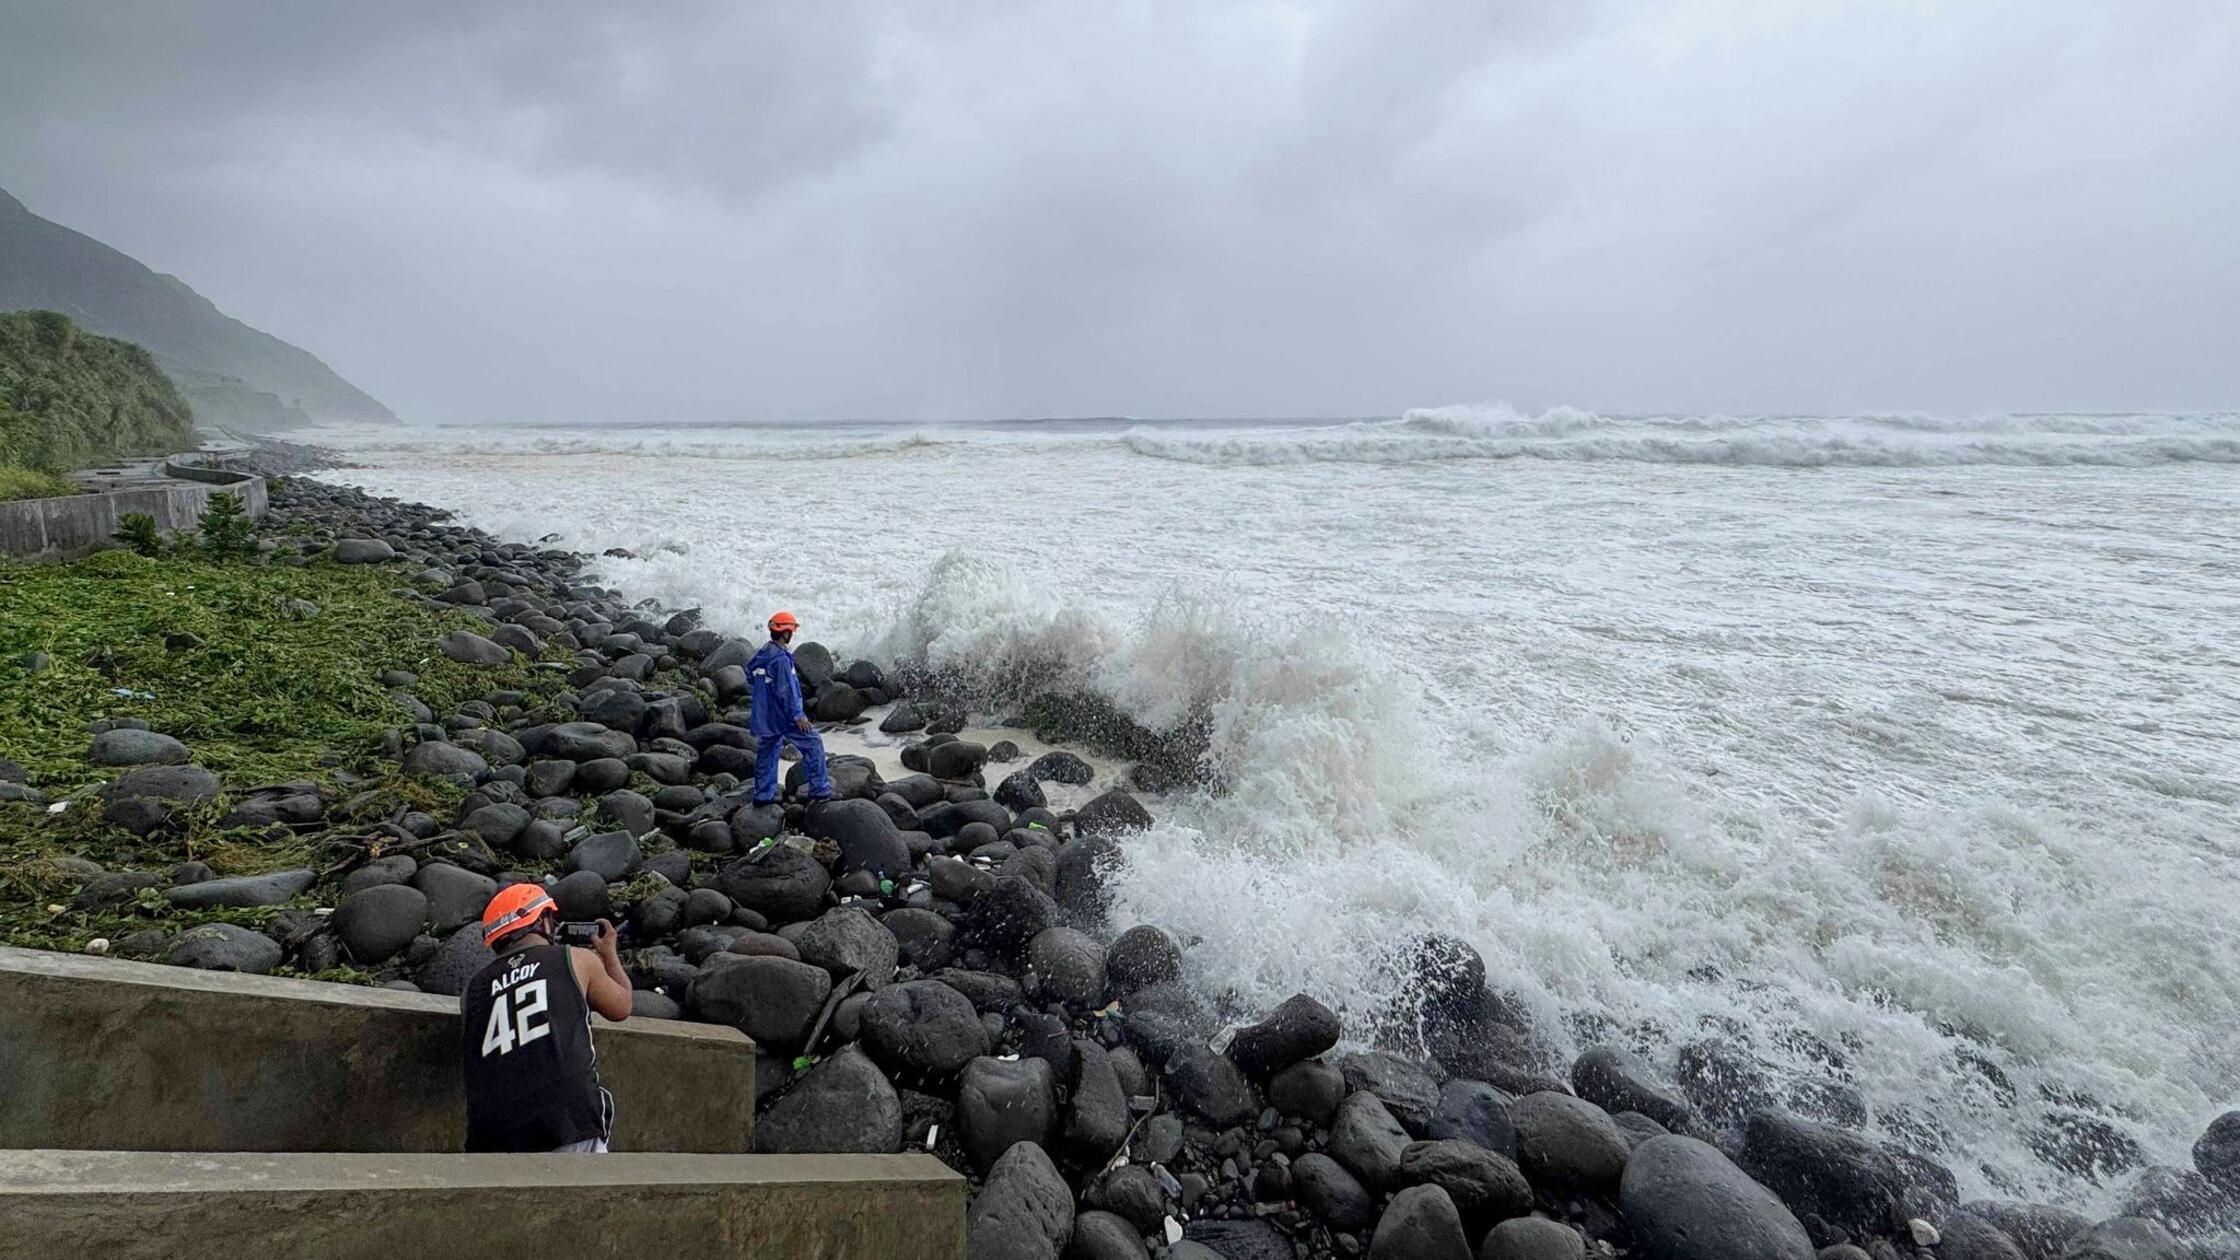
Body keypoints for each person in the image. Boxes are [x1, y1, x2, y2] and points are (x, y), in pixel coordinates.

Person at [460, 884, 633, 1153]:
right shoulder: (575, 958)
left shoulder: (473, 988)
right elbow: (622, 1007)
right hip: (568, 1123)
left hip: (491, 1138)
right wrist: (609, 954)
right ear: (542, 921)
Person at [749, 609, 832, 805]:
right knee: (813, 743)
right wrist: (798, 715)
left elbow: (750, 673)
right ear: (785, 633)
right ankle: (820, 791)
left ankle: (763, 795)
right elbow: (787, 690)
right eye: (791, 631)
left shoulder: (763, 653)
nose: (792, 635)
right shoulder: (781, 659)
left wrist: (764, 695)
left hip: (765, 715)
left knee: (768, 751)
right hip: (783, 715)